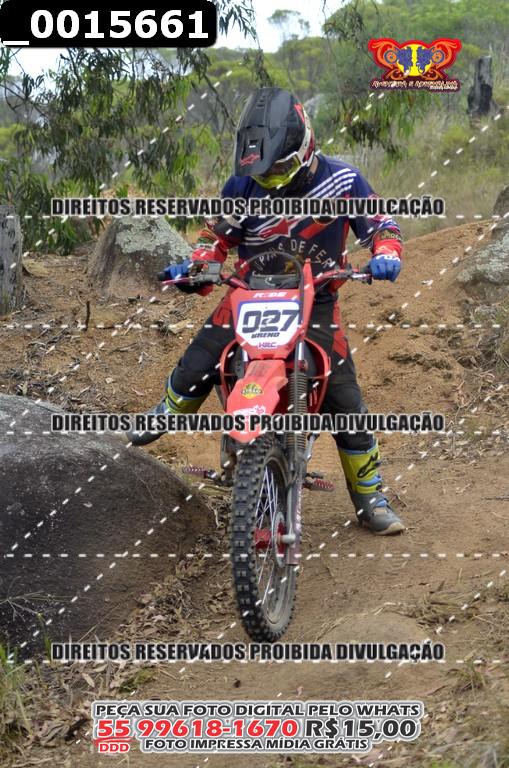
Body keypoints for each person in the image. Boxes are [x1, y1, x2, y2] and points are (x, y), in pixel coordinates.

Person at [130, 87, 404, 535]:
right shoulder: (242, 186)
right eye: (262, 171)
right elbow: (215, 239)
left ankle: (370, 497)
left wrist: (386, 253)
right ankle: (166, 413)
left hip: (315, 297)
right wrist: (197, 269)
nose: (270, 179)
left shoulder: (343, 181)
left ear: (305, 148)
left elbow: (381, 225)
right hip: (249, 292)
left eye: (278, 168)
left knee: (344, 398)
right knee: (200, 361)